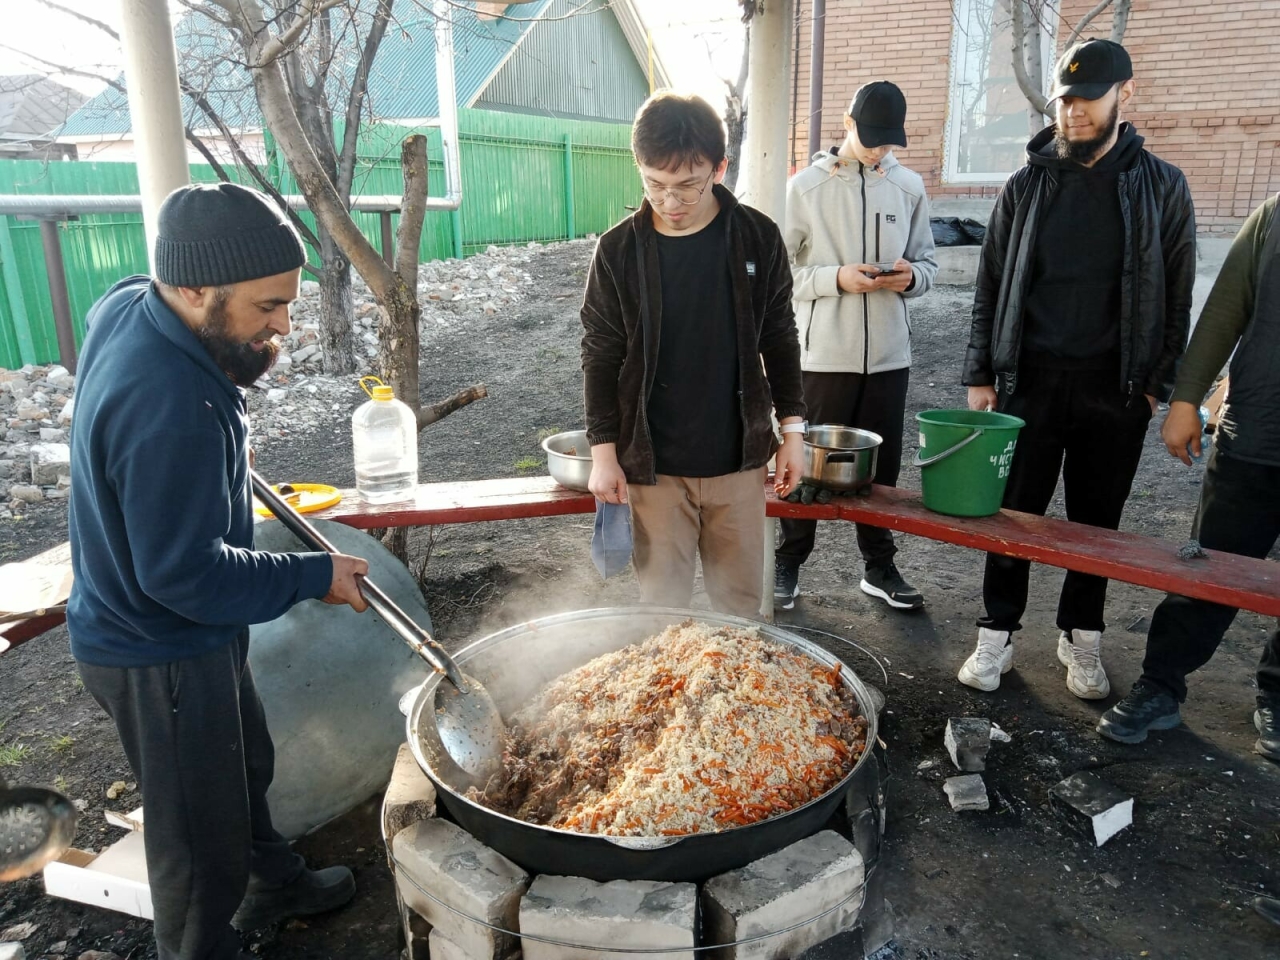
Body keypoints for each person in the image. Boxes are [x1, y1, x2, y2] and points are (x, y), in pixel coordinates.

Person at [68, 183, 370, 960]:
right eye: (269, 307)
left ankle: (273, 880)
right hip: (157, 647)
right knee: (197, 841)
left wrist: (225, 458)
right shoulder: (164, 399)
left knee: (245, 765)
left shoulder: (135, 301)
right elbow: (184, 575)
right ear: (198, 288)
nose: (283, 325)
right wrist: (312, 574)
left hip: (192, 634)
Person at [958, 38, 1196, 698]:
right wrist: (982, 375)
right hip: (1027, 380)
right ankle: (996, 634)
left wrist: (1157, 389)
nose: (1073, 112)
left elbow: (1178, 295)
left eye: (1087, 100)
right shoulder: (1026, 184)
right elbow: (991, 284)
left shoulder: (1162, 186)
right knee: (1011, 514)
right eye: (1064, 100)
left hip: (1114, 388)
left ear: (1126, 94)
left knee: (1097, 523)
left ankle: (1080, 637)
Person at [581, 91, 807, 618]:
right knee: (661, 613)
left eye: (687, 186)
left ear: (720, 168)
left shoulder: (757, 237)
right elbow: (599, 352)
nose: (671, 202)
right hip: (654, 468)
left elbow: (780, 335)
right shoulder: (618, 251)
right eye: (654, 185)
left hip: (739, 462)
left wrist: (793, 432)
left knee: (741, 610)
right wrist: (603, 452)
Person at [1097, 194, 1280, 764]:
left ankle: (1278, 694)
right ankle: (1161, 683)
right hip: (1258, 430)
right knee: (1208, 566)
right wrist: (1187, 398)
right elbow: (1227, 309)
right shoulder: (1274, 216)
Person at [773, 80, 938, 612]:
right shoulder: (806, 188)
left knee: (882, 468)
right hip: (822, 356)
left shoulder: (910, 187)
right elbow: (778, 277)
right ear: (847, 124)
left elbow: (929, 266)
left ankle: (879, 566)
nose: (878, 149)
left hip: (890, 357)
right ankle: (788, 562)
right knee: (806, 468)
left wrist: (911, 278)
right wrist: (836, 278)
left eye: (888, 141)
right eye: (870, 137)